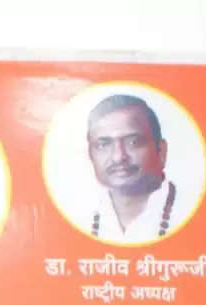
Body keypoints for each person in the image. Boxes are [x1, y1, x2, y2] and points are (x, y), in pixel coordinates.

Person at [79, 92, 184, 243]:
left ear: (161, 150)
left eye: (133, 142)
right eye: (103, 145)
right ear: (91, 155)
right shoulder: (82, 219)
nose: (118, 157)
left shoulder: (194, 212)